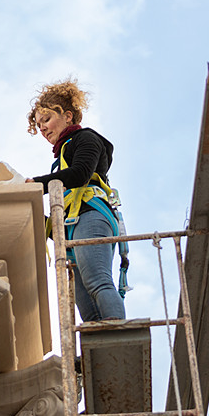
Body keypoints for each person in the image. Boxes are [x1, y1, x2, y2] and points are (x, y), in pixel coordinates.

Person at [24, 79, 126, 322]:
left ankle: (119, 333)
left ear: (68, 116)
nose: (43, 129)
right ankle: (100, 349)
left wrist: (36, 185)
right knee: (85, 304)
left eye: (46, 120)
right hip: (74, 227)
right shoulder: (60, 159)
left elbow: (80, 174)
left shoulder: (86, 139)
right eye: (39, 125)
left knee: (97, 281)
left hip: (91, 217)